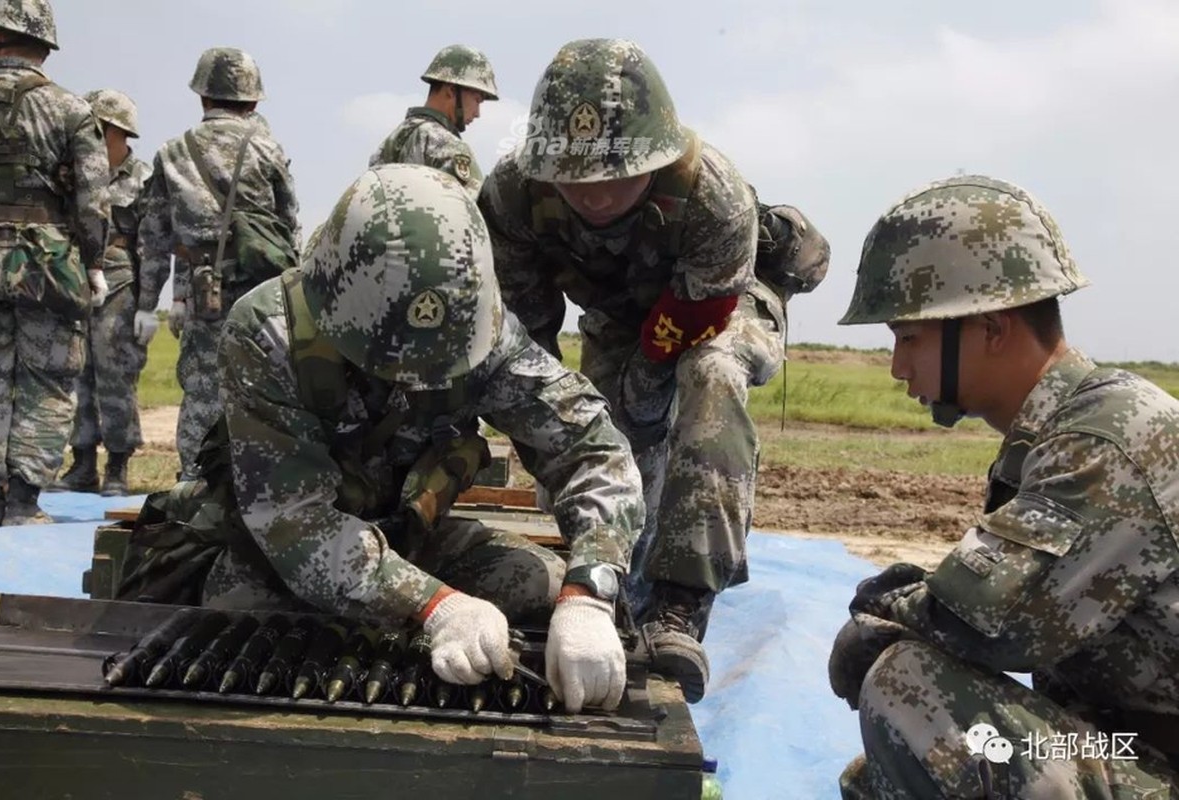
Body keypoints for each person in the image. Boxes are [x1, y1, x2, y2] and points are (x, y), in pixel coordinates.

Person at [118, 163, 644, 714]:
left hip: (405, 537)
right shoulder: (269, 336)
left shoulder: (482, 334)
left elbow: (591, 447)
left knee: (541, 585)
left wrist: (589, 592)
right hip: (282, 558)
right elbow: (296, 524)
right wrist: (435, 605)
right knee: (249, 615)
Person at [477, 38, 828, 703]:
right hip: (616, 319)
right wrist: (568, 440)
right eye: (577, 181)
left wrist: (637, 404)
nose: (597, 197)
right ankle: (616, 600)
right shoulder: (513, 197)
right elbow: (523, 342)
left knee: (711, 377)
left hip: (717, 304)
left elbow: (687, 325)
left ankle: (678, 606)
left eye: (618, 176)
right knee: (599, 442)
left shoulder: (711, 192)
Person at [829, 174, 1179, 798]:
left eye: (909, 338)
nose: (896, 367)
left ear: (991, 328)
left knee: (911, 687)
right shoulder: (1047, 435)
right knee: (878, 777)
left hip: (1158, 758)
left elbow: (989, 623)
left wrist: (884, 611)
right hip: (1127, 743)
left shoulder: (1108, 437)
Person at [137, 46, 300, 480]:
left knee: (202, 393)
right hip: (262, 295)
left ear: (203, 96)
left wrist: (147, 303)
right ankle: (257, 487)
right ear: (252, 101)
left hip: (203, 292)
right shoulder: (267, 149)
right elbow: (290, 228)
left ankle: (194, 486)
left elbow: (153, 238)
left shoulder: (172, 153)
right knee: (261, 390)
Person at [0, 0, 109, 527]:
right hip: (49, 269)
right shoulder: (72, 110)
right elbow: (94, 202)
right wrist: (94, 263)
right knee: (49, 382)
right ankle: (24, 503)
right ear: (45, 45)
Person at [51, 89, 152, 496]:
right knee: (78, 372)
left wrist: (149, 304)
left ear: (116, 130)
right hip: (74, 276)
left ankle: (118, 466)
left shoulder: (143, 178)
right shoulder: (71, 173)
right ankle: (82, 464)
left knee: (115, 374)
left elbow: (151, 242)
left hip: (122, 282)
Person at [368, 44, 498, 199]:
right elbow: (473, 213)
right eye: (477, 100)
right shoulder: (447, 146)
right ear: (451, 91)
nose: (477, 113)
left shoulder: (389, 144)